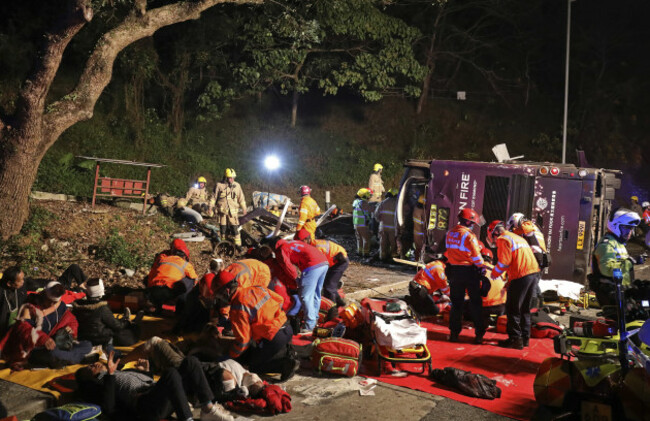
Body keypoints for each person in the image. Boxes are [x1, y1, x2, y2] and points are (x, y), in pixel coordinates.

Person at [75, 351, 234, 421]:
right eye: (90, 368)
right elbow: (108, 407)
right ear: (89, 377)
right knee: (171, 373)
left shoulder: (117, 371)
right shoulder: (100, 384)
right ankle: (187, 418)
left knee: (191, 362)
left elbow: (145, 381)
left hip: (159, 393)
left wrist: (146, 371)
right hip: (147, 405)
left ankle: (208, 408)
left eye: (94, 364)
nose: (95, 364)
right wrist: (109, 375)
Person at [211, 274, 299, 381]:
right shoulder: (255, 288)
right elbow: (279, 299)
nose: (221, 299)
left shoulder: (238, 308)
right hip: (287, 326)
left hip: (273, 337)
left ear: (227, 291)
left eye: (220, 295)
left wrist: (231, 356)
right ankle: (287, 352)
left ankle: (283, 365)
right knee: (258, 348)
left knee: (252, 367)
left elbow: (243, 341)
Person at [0, 281, 92, 369]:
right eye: (49, 301)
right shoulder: (29, 307)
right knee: (52, 354)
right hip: (34, 348)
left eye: (54, 302)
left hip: (54, 343)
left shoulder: (59, 305)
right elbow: (23, 328)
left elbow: (71, 320)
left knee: (87, 344)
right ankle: (74, 357)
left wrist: (71, 328)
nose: (52, 304)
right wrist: (43, 339)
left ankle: (70, 357)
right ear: (44, 295)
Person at [486, 220, 541, 350]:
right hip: (533, 274)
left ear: (495, 233)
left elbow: (504, 262)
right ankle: (525, 339)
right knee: (525, 309)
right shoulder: (516, 237)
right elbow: (517, 260)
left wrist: (495, 272)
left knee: (512, 308)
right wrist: (509, 281)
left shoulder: (503, 239)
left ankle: (515, 339)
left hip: (521, 275)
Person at [267, 236, 328, 333]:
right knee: (316, 293)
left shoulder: (281, 249)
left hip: (312, 265)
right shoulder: (291, 243)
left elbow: (288, 267)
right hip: (323, 262)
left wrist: (296, 279)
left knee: (305, 296)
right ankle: (315, 318)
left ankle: (309, 325)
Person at [444, 208, 486, 344]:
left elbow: (449, 252)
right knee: (475, 303)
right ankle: (479, 334)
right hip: (469, 272)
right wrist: (482, 267)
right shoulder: (469, 236)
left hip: (454, 272)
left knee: (456, 305)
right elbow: (476, 257)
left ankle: (454, 334)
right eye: (472, 222)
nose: (473, 225)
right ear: (468, 221)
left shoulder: (450, 233)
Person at [590, 208, 643, 307]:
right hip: (611, 295)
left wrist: (635, 285)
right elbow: (607, 269)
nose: (629, 232)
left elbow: (621, 267)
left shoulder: (618, 244)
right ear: (615, 226)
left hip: (621, 291)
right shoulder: (607, 244)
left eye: (631, 229)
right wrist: (631, 261)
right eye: (626, 228)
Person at [72, 278, 143, 348]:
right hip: (100, 339)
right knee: (128, 333)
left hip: (83, 338)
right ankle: (134, 323)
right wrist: (126, 322)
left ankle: (127, 321)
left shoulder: (77, 306)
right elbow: (118, 326)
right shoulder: (102, 308)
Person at [295, 229, 348, 307]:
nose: (299, 245)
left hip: (340, 261)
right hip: (332, 260)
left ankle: (332, 311)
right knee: (328, 283)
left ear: (307, 239)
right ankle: (340, 303)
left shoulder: (316, 248)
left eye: (300, 242)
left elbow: (317, 267)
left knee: (329, 287)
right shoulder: (311, 245)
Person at [146, 239, 198, 313]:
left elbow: (152, 273)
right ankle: (180, 305)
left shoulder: (163, 258)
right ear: (185, 256)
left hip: (154, 289)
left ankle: (155, 305)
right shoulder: (185, 264)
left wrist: (149, 289)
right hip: (169, 290)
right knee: (189, 280)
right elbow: (195, 279)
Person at [213, 168, 247, 249]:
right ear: (225, 177)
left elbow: (241, 198)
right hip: (222, 212)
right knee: (223, 230)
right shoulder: (219, 185)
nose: (231, 179)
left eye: (233, 178)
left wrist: (244, 209)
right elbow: (213, 197)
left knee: (235, 230)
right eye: (230, 178)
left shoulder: (237, 186)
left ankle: (238, 247)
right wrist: (211, 207)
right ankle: (223, 244)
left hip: (233, 213)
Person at [479, 247, 507, 327]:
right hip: (501, 306)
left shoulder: (474, 270)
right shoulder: (500, 271)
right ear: (491, 260)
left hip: (483, 307)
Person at [0, 266, 27, 339]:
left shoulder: (21, 288)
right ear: (9, 283)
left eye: (23, 279)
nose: (23, 282)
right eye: (20, 281)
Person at [374, 188, 398, 261]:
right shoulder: (397, 203)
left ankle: (383, 257)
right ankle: (394, 257)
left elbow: (376, 214)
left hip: (383, 227)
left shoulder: (382, 203)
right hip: (393, 228)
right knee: (393, 243)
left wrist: (380, 221)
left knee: (383, 243)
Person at [352, 188, 374, 257]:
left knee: (359, 239)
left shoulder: (355, 202)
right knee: (366, 239)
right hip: (363, 224)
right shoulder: (363, 203)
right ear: (364, 195)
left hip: (356, 224)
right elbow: (367, 213)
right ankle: (366, 253)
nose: (369, 196)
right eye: (367, 195)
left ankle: (359, 252)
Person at [413, 195, 426, 262]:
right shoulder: (423, 212)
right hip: (421, 233)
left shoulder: (415, 209)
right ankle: (420, 260)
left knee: (417, 248)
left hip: (416, 232)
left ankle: (416, 260)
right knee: (422, 249)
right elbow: (425, 223)